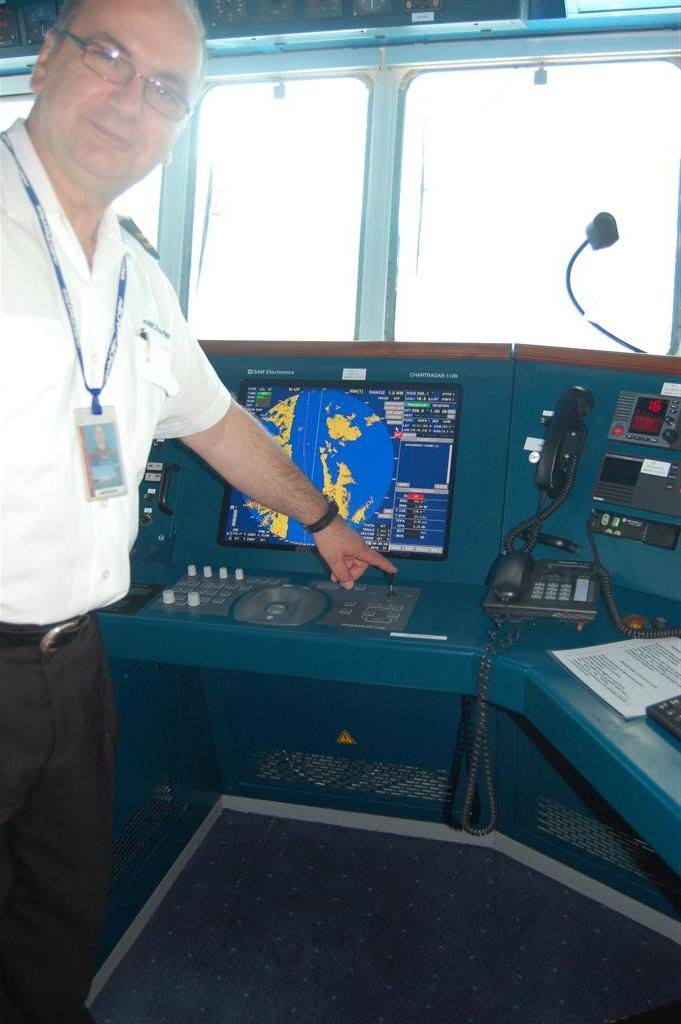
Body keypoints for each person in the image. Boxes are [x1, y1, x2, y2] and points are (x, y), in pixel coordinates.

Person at [0, 2, 396, 1020]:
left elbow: (216, 421)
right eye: (109, 56)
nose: (130, 98)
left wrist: (323, 520)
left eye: (165, 88)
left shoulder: (138, 274)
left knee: (56, 912)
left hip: (74, 659)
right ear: (44, 60)